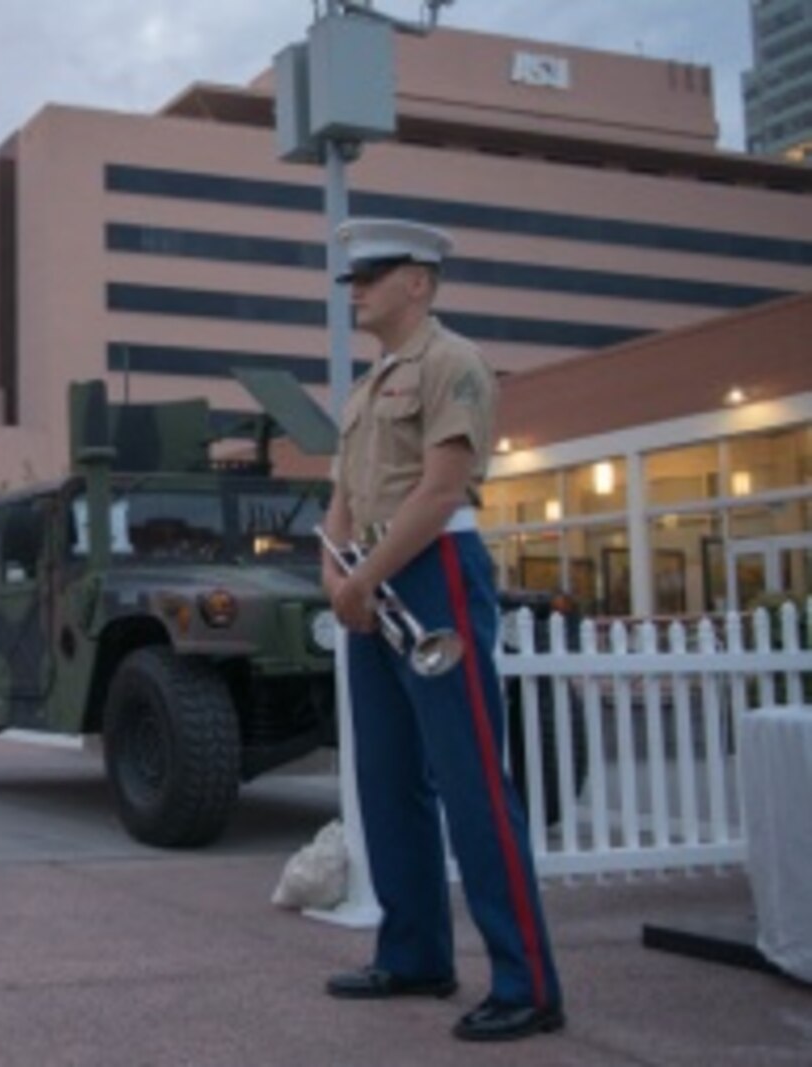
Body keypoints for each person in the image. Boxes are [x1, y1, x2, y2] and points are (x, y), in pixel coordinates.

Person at [320, 218, 564, 1042]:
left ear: (418, 280)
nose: (356, 288)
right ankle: (417, 950)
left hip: (430, 573)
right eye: (353, 276)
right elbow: (344, 494)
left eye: (373, 274)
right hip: (371, 577)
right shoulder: (365, 386)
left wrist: (362, 575)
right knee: (388, 781)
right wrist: (336, 567)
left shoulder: (453, 363)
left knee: (471, 781)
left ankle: (528, 982)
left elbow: (442, 488)